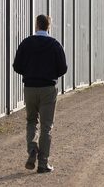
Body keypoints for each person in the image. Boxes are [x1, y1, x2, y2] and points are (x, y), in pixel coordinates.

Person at [13, 14, 68, 173]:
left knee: (31, 121)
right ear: (48, 26)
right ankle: (43, 163)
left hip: (30, 87)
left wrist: (29, 72)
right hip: (48, 89)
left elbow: (17, 66)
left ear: (37, 25)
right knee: (46, 126)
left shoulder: (26, 43)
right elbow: (63, 68)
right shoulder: (55, 45)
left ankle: (32, 149)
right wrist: (50, 74)